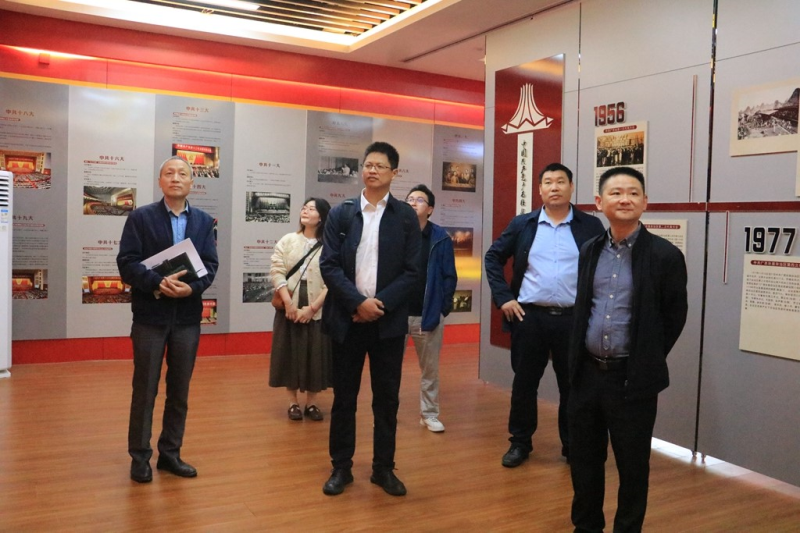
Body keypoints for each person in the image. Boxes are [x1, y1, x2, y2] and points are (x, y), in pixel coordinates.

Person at [568, 166, 688, 533]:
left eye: (633, 193)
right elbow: (583, 308)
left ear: (645, 202)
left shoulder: (664, 255)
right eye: (616, 192)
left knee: (633, 467)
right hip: (587, 375)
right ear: (599, 202)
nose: (625, 199)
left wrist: (645, 357)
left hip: (631, 381)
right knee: (584, 461)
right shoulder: (590, 250)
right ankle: (586, 527)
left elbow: (674, 316)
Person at [484, 163, 604, 468]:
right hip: (530, 318)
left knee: (572, 385)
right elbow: (493, 257)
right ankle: (520, 443)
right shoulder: (523, 224)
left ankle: (573, 445)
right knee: (524, 384)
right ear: (539, 190)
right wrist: (504, 298)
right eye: (548, 182)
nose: (554, 187)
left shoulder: (590, 226)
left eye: (560, 181)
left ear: (571, 187)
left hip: (573, 320)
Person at [319, 141, 421, 497]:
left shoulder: (405, 217)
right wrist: (358, 303)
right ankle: (341, 467)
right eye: (368, 165)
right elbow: (329, 265)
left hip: (386, 324)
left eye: (380, 166)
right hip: (347, 320)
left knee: (387, 400)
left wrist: (380, 304)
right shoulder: (342, 213)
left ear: (395, 173)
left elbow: (412, 271)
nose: (372, 170)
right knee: (344, 398)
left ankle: (383, 469)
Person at [117, 156, 218, 483]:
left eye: (182, 173)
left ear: (191, 182)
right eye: (169, 173)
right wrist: (156, 282)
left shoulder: (204, 221)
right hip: (150, 316)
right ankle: (140, 457)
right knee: (145, 388)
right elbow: (127, 263)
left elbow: (210, 266)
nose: (176, 178)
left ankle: (170, 454)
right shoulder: (140, 218)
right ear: (160, 181)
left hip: (187, 318)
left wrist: (192, 289)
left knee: (179, 389)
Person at [269, 198, 332, 421]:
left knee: (315, 353)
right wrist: (288, 303)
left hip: (318, 306)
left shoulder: (330, 245)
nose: (305, 210)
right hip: (290, 302)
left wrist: (313, 308)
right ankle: (293, 402)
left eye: (311, 209)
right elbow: (277, 270)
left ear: (321, 217)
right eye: (304, 207)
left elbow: (333, 279)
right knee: (290, 352)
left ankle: (312, 403)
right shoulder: (288, 240)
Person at [404, 184, 458, 432]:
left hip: (427, 315)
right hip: (395, 314)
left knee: (430, 370)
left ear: (431, 209)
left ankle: (429, 414)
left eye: (419, 200)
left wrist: (441, 309)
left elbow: (449, 276)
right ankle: (385, 413)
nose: (413, 202)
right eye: (410, 199)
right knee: (388, 369)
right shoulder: (395, 232)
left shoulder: (440, 238)